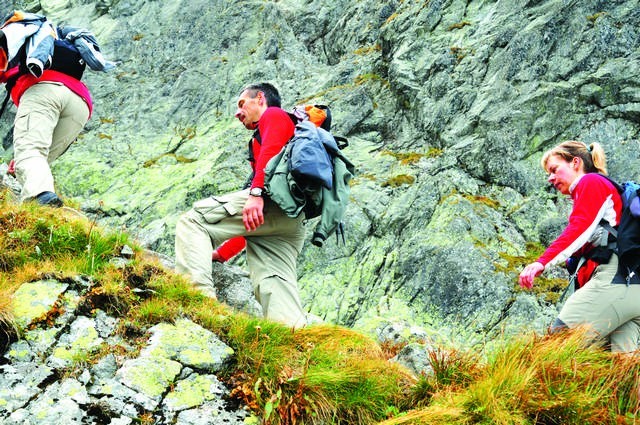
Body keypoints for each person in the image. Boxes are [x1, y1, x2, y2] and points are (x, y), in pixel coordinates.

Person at [175, 82, 308, 328]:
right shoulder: (270, 135)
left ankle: (199, 305)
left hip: (273, 202)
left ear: (260, 98)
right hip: (292, 220)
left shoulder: (274, 115)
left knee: (193, 221)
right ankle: (298, 347)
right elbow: (250, 222)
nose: (237, 113)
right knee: (276, 282)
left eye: (241, 104)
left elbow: (272, 150)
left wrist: (256, 193)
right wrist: (222, 254)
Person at [519, 140, 640, 353]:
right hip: (632, 288)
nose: (550, 178)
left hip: (616, 281)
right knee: (619, 371)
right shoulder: (607, 188)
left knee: (556, 347)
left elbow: (579, 228)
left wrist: (541, 262)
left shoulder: (591, 182)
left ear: (575, 162)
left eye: (555, 169)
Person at [0, 12, 98, 207]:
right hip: (80, 104)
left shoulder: (12, 37)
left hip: (43, 90)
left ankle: (40, 203)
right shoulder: (56, 40)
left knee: (29, 151)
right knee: (34, 159)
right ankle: (41, 212)